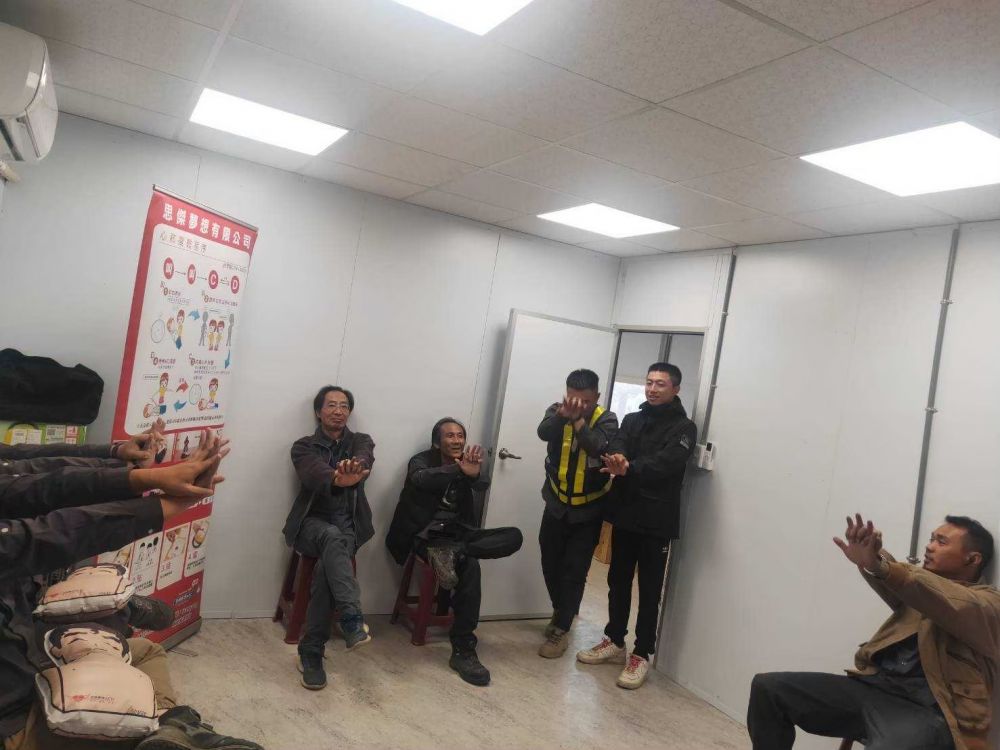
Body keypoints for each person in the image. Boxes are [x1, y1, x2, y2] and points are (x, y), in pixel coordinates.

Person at [1, 430, 262, 750]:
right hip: (15, 709)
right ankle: (159, 728)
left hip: (22, 637)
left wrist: (131, 470)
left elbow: (33, 475)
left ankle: (170, 726)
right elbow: (39, 532)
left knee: (142, 650)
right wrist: (159, 499)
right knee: (131, 680)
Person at [748, 513, 999, 750]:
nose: (929, 546)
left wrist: (881, 566)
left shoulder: (988, 604)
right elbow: (900, 578)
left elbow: (947, 599)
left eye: (941, 542)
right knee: (769, 689)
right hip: (875, 688)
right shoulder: (917, 590)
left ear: (972, 559)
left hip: (930, 712)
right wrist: (873, 558)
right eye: (931, 538)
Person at [577, 362, 696, 689]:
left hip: (657, 521)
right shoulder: (632, 419)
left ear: (675, 389)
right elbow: (618, 444)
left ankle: (641, 653)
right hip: (625, 514)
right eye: (649, 382)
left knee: (649, 589)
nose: (652, 389)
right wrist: (617, 459)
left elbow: (667, 463)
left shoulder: (684, 428)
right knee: (617, 580)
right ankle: (615, 640)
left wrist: (629, 467)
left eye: (660, 384)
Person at [386, 417, 523, 686]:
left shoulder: (467, 463)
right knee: (470, 565)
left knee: (513, 536)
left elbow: (482, 483)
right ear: (437, 442)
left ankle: (457, 551)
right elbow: (421, 479)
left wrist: (473, 473)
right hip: (425, 535)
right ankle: (463, 649)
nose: (457, 440)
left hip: (458, 535)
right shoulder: (422, 461)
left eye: (460, 435)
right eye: (450, 435)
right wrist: (458, 469)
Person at [284, 385, 375, 690]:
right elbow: (312, 473)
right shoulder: (304, 446)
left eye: (344, 405)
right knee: (331, 537)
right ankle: (351, 617)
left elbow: (364, 458)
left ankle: (311, 651)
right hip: (311, 524)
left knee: (329, 560)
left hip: (348, 525)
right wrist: (337, 478)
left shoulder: (361, 441)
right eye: (331, 405)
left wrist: (356, 468)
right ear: (318, 412)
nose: (338, 411)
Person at [535, 369, 618, 658]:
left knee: (574, 570)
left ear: (597, 397)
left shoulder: (607, 419)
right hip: (556, 502)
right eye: (573, 399)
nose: (578, 405)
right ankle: (562, 610)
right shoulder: (557, 411)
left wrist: (579, 421)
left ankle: (561, 628)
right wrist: (562, 416)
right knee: (550, 562)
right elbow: (543, 432)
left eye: (585, 401)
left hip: (589, 510)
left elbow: (597, 446)